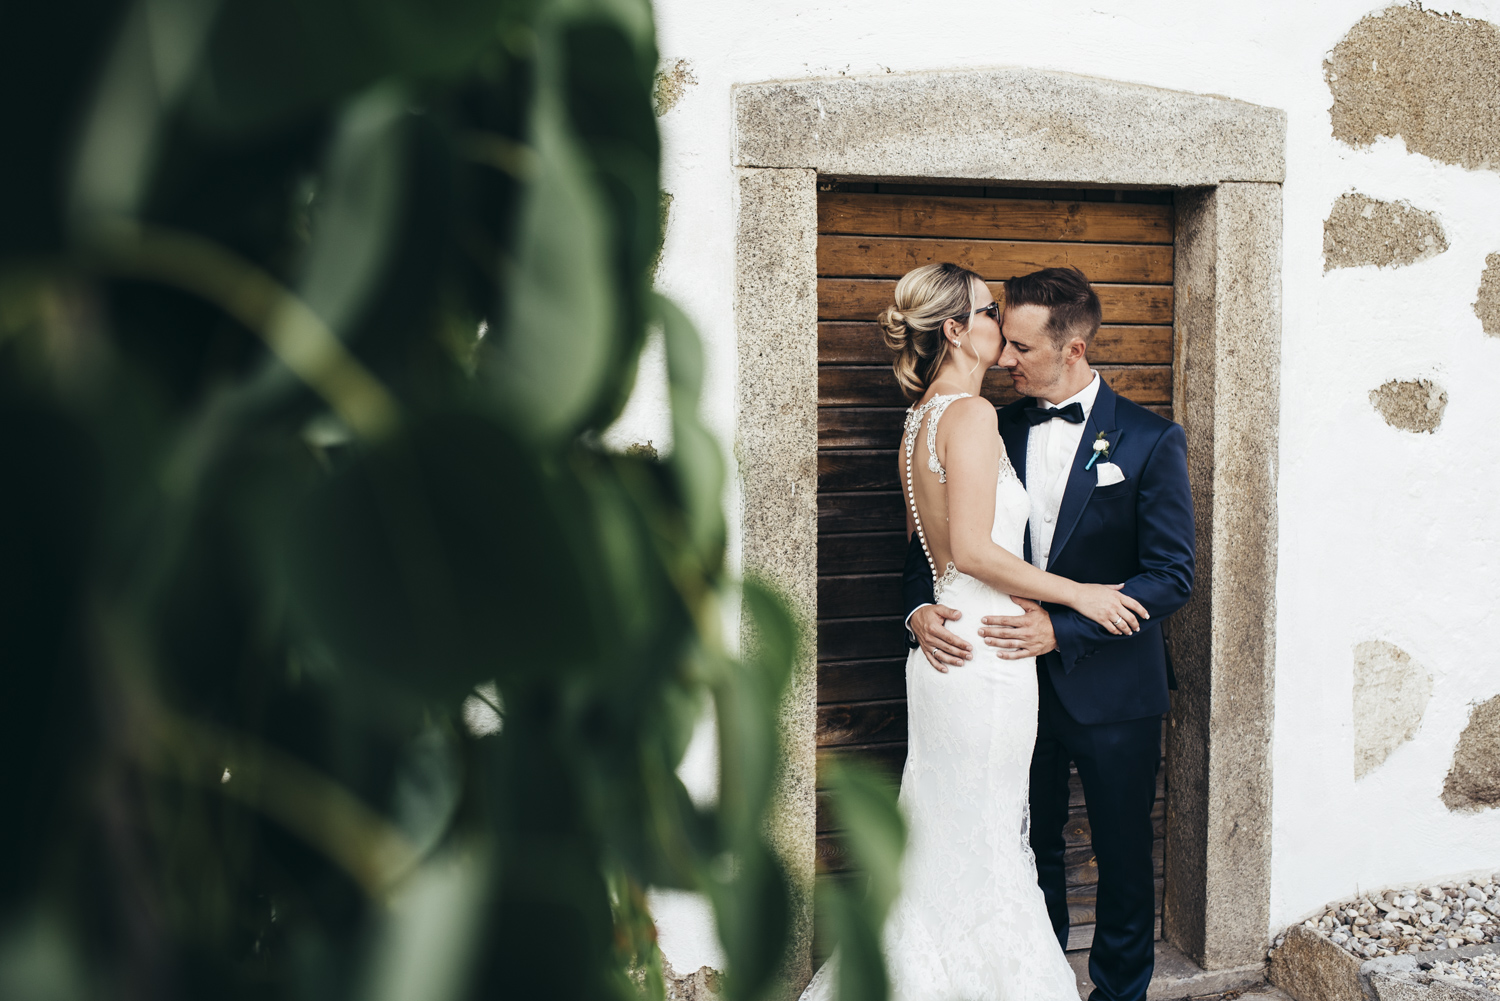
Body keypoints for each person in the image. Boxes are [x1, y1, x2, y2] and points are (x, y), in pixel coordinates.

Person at [799, 262, 1159, 1001]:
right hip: (984, 656)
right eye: (990, 309)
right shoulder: (972, 415)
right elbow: (969, 549)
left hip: (951, 647)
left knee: (952, 833)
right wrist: (1083, 596)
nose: (1003, 323)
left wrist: (922, 607)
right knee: (993, 840)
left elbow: (923, 552)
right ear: (957, 329)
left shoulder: (921, 419)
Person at [905, 266, 1195, 1001]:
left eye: (1024, 348)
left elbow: (1171, 574)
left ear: (1074, 348)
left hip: (1110, 686)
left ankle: (1118, 993)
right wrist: (917, 609)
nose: (1007, 358)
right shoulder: (987, 424)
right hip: (1005, 683)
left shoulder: (1151, 440)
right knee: (1028, 851)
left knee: (1123, 854)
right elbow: (936, 540)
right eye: (1004, 341)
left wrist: (1061, 626)